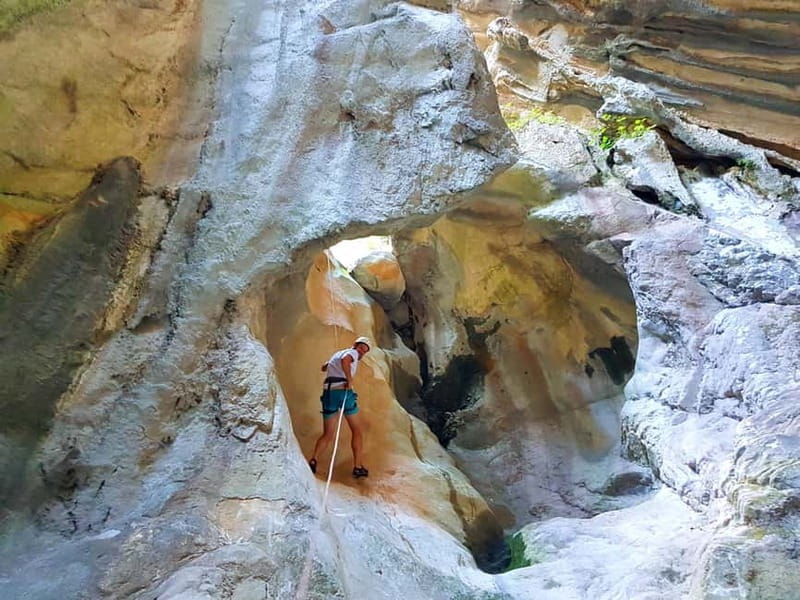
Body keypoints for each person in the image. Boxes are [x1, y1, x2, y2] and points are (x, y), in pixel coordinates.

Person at [309, 336, 371, 478]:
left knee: (328, 433)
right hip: (343, 391)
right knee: (357, 430)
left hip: (328, 393)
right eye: (361, 348)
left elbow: (324, 367)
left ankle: (313, 459)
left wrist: (331, 366)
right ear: (355, 345)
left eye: (365, 351)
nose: (362, 353)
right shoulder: (352, 353)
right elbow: (346, 360)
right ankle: (358, 466)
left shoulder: (336, 354)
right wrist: (349, 379)